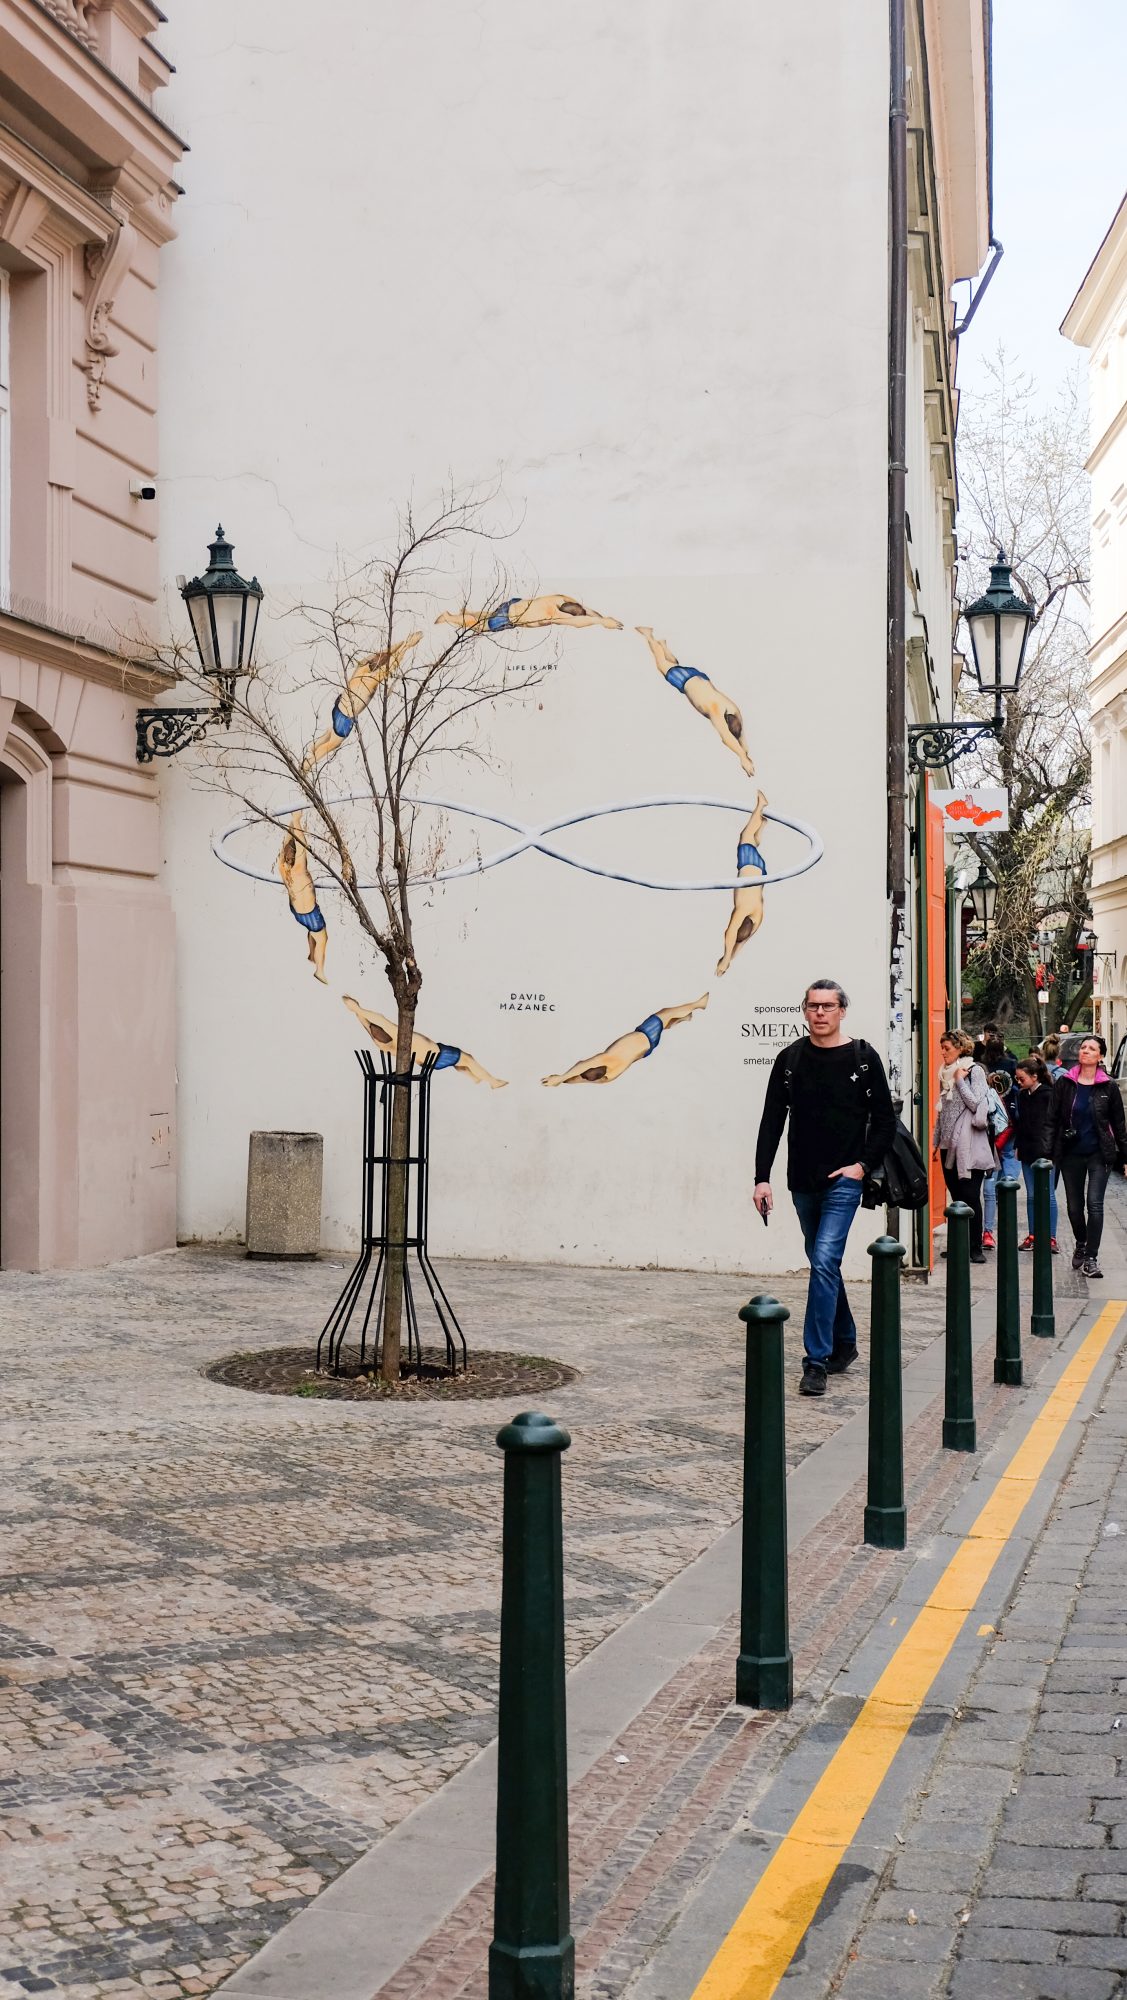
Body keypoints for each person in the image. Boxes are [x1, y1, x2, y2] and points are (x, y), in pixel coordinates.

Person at [753, 980, 896, 1399]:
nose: (820, 1013)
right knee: (824, 1264)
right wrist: (761, 1177)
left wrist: (862, 1166)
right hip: (802, 1179)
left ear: (842, 1011)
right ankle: (846, 1342)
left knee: (823, 1261)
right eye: (813, 1006)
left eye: (828, 1006)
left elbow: (885, 1122)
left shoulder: (863, 1059)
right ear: (804, 1010)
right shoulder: (790, 1059)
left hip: (844, 1181)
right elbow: (771, 1122)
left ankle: (815, 1361)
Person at [1044, 1034, 1127, 1279]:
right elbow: (1052, 1119)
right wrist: (1047, 1153)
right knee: (1074, 1207)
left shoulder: (1109, 1086)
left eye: (1091, 1048)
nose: (1085, 1051)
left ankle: (1091, 1257)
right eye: (1083, 1048)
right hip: (1070, 1153)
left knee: (1095, 1205)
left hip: (1099, 1153)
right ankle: (1081, 1242)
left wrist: (1124, 1159)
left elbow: (1119, 1125)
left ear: (1100, 1056)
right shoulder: (1065, 1083)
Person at [635, 627, 756, 779]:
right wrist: (742, 758)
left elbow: (742, 737)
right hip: (684, 681)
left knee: (674, 664)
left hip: (699, 676)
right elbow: (726, 737)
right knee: (661, 664)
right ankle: (649, 635)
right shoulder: (715, 711)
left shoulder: (733, 709)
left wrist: (745, 754)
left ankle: (664, 646)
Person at [301, 632, 423, 773]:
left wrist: (401, 643)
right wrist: (407, 645)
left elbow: (382, 654)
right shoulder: (371, 681)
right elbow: (392, 664)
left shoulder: (362, 668)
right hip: (346, 717)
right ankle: (307, 765)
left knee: (331, 733)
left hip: (339, 708)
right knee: (332, 744)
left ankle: (315, 745)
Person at [542, 993, 709, 1086]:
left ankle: (685, 1018)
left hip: (647, 1050)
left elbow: (578, 1077)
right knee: (665, 1013)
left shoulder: (608, 1078)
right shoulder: (605, 1058)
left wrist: (563, 1080)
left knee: (666, 1025)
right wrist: (560, 1077)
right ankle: (698, 1004)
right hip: (645, 1034)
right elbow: (582, 1064)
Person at [343, 996, 508, 1087]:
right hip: (438, 1054)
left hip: (430, 1060)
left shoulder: (383, 1044)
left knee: (461, 1064)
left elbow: (367, 1022)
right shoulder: (396, 1034)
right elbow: (381, 1020)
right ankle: (492, 1082)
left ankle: (475, 1078)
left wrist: (356, 1011)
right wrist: (357, 1008)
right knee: (468, 1059)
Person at [932, 1029, 994, 1265]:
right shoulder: (943, 1074)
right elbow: (942, 1111)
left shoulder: (973, 1070)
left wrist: (959, 1079)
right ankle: (959, 1244)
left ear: (960, 1047)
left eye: (947, 1048)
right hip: (949, 1145)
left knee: (970, 1196)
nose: (943, 1052)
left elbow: (976, 1102)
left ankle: (975, 1247)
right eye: (942, 1047)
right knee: (956, 1197)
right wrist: (936, 1142)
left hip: (969, 1144)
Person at [716, 794, 768, 975]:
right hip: (749, 867)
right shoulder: (741, 910)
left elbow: (740, 943)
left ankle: (762, 825)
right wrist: (724, 959)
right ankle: (761, 806)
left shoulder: (758, 919)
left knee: (752, 842)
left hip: (761, 871)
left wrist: (729, 960)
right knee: (745, 836)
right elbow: (730, 935)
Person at [1011, 1054, 1058, 1250]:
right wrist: (1018, 1146)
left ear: (1035, 1076)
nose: (1018, 1082)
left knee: (1047, 1196)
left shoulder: (1048, 1095)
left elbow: (1051, 1125)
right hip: (1027, 1150)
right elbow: (1021, 1123)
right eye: (1017, 1078)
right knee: (1031, 1195)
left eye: (1021, 1078)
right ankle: (1033, 1234)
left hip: (1046, 1152)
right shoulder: (1022, 1095)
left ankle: (1050, 1236)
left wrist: (1048, 1151)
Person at [278, 812, 328, 983]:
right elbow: (301, 844)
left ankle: (311, 954)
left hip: (297, 912)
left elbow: (287, 845)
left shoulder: (283, 868)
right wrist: (297, 821)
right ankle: (319, 970)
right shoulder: (299, 869)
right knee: (322, 939)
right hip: (310, 913)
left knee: (313, 928)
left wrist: (291, 823)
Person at [436, 594, 623, 633]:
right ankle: (449, 617)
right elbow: (577, 622)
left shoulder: (559, 598)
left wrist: (603, 618)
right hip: (510, 618)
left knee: (489, 614)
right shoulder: (553, 615)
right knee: (479, 627)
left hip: (514, 603)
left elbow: (585, 610)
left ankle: (467, 612)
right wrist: (600, 622)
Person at [981, 1070, 1018, 1249]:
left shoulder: (992, 1096)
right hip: (980, 1148)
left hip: (990, 1148)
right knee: (980, 1192)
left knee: (989, 1190)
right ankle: (977, 1232)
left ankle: (987, 1231)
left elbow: (1004, 1123)